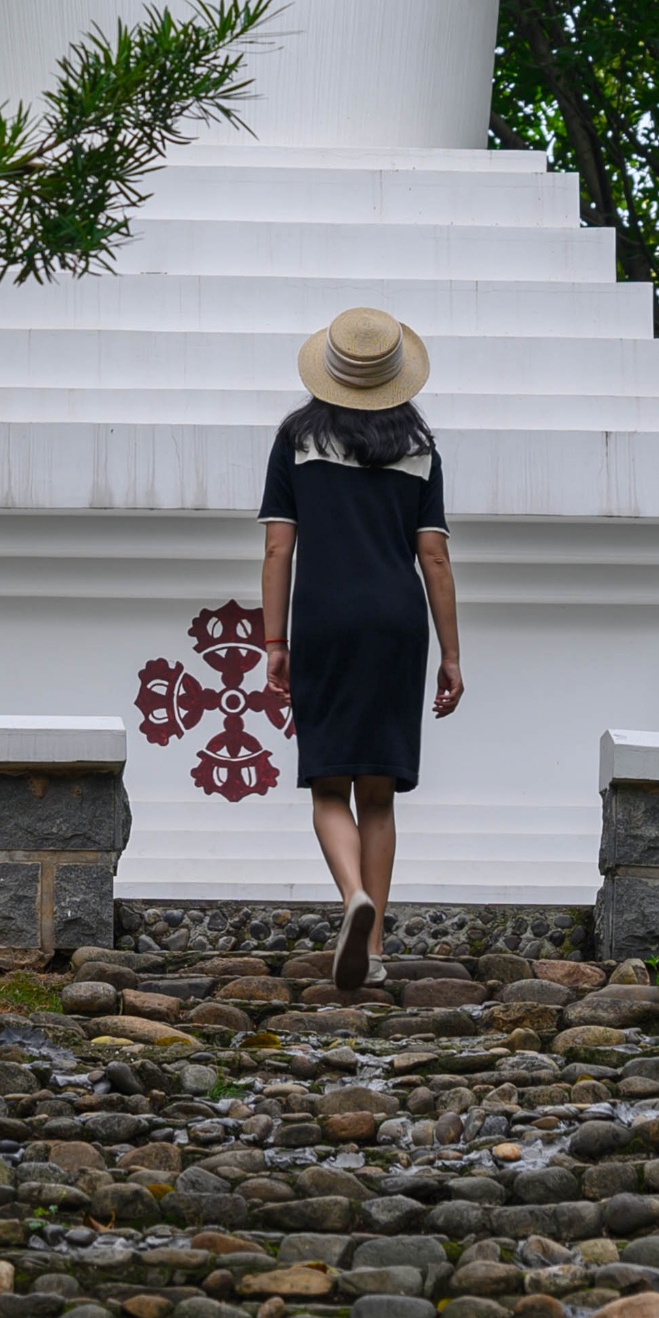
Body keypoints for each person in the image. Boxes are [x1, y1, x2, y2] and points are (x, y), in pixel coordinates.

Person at [258, 303, 464, 996]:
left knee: (327, 784)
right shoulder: (419, 446)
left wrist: (273, 641)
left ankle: (351, 897)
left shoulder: (297, 438)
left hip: (323, 619)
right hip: (398, 624)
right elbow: (433, 558)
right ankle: (372, 949)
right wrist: (451, 657)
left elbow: (277, 546)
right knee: (378, 794)